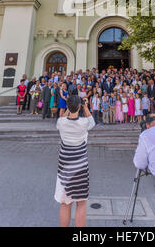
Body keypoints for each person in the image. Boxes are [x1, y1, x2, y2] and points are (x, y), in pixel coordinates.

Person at [55, 95, 95, 227]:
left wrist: (69, 107)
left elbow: (63, 117)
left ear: (67, 106)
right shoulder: (84, 123)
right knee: (81, 202)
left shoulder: (61, 122)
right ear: (79, 106)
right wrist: (85, 105)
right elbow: (92, 120)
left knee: (65, 203)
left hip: (64, 167)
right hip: (80, 167)